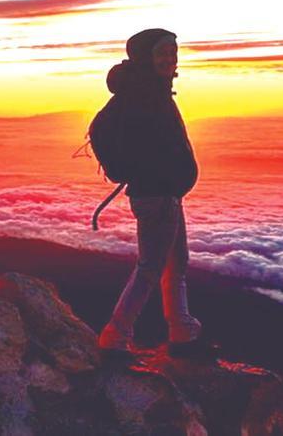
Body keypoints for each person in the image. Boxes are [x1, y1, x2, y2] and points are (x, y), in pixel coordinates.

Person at [97, 28, 202, 354]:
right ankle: (116, 335)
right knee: (151, 268)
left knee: (176, 263)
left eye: (173, 52)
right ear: (145, 57)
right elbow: (151, 148)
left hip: (165, 195)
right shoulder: (145, 97)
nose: (170, 59)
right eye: (162, 53)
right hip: (157, 196)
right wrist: (161, 178)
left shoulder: (148, 91)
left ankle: (181, 329)